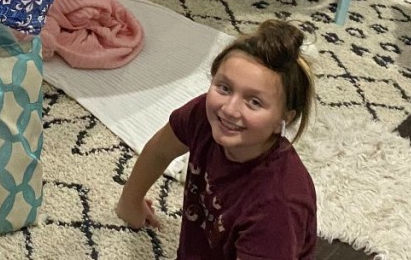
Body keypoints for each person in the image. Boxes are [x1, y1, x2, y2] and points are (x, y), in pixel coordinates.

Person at [115, 20, 317, 259]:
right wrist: (130, 201)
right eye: (224, 88)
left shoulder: (277, 205)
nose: (230, 109)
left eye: (254, 102)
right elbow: (160, 149)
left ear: (283, 118)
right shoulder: (205, 115)